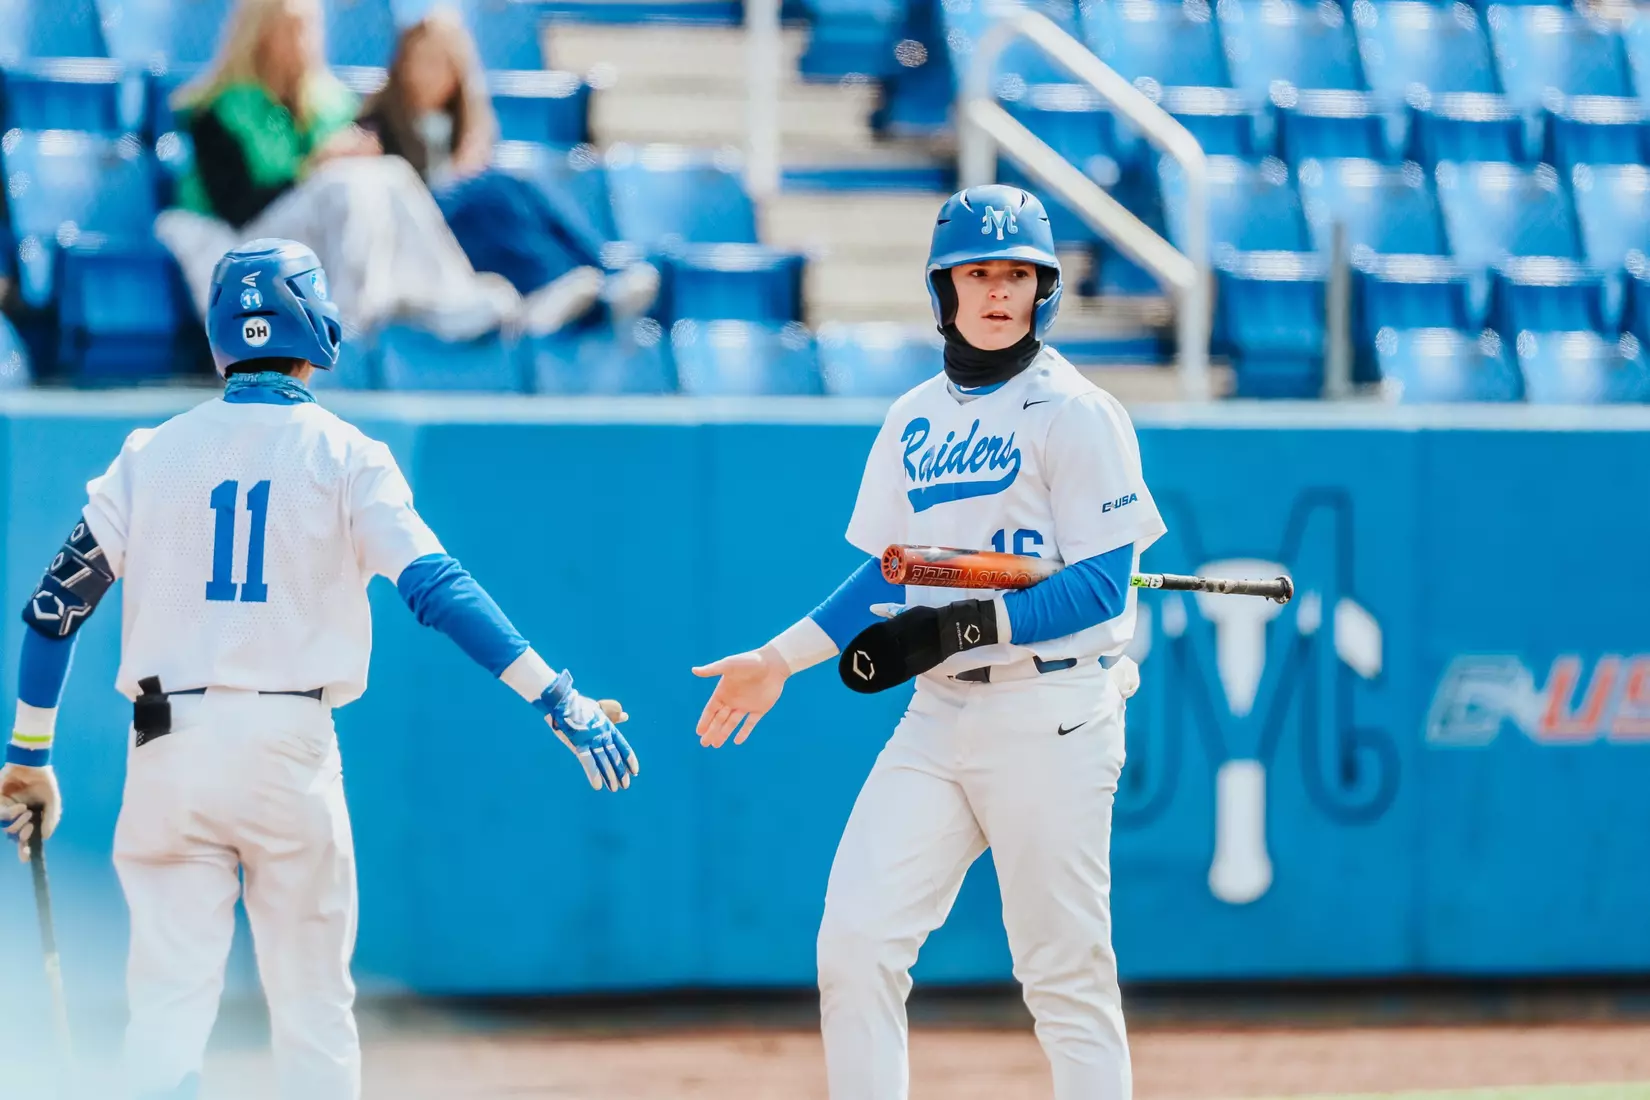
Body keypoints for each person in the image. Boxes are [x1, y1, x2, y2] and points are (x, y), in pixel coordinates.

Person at [0, 239, 639, 1100]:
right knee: (313, 1013)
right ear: (316, 324)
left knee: (164, 1014)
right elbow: (438, 590)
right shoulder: (347, 454)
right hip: (287, 748)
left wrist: (30, 754)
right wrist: (554, 695)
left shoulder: (149, 453)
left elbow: (53, 609)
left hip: (165, 746)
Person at [692, 185, 1162, 1100]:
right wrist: (777, 659)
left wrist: (962, 625)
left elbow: (1102, 587)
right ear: (944, 288)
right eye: (978, 273)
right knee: (856, 940)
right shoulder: (914, 415)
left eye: (1017, 273)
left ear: (1044, 290)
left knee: (1063, 973)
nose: (998, 291)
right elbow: (888, 575)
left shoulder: (1077, 411)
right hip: (940, 714)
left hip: (1053, 709)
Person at [154, 0, 575, 341]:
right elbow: (238, 207)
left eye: (309, 27)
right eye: (290, 29)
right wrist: (316, 168)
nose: (303, 40)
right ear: (258, 34)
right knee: (346, 184)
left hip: (323, 230)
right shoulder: (219, 110)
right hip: (259, 234)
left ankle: (451, 297)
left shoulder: (332, 105)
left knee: (390, 173)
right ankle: (351, 320)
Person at [356, 10, 658, 326]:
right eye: (421, 61)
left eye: (440, 63)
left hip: (465, 225)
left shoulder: (462, 126)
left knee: (519, 190)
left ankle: (603, 277)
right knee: (494, 191)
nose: (428, 74)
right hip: (424, 233)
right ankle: (549, 286)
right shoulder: (377, 126)